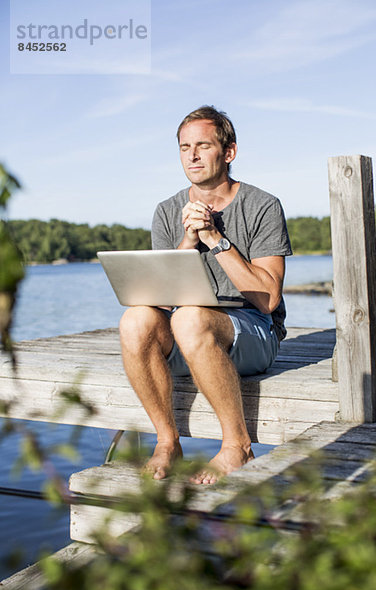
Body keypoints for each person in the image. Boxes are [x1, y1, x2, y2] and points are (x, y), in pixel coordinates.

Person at [119, 105, 292, 485]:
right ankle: (167, 441)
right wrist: (189, 239)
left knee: (190, 316)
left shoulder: (262, 205)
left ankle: (237, 446)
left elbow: (268, 300)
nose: (192, 155)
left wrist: (216, 239)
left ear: (228, 152)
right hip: (188, 334)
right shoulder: (167, 210)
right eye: (184, 147)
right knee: (135, 319)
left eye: (202, 145)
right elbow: (162, 300)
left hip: (253, 331)